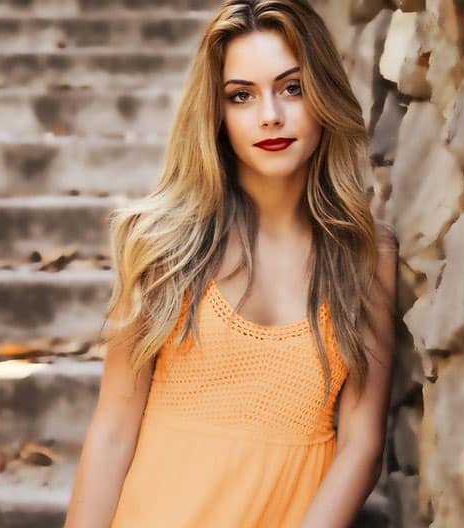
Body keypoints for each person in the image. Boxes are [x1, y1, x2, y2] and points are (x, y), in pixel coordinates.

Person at [64, 1, 398, 526]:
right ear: (217, 114)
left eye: (292, 87)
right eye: (241, 96)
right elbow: (112, 431)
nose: (270, 114)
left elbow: (362, 442)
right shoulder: (164, 244)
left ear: (324, 94)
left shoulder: (365, 254)